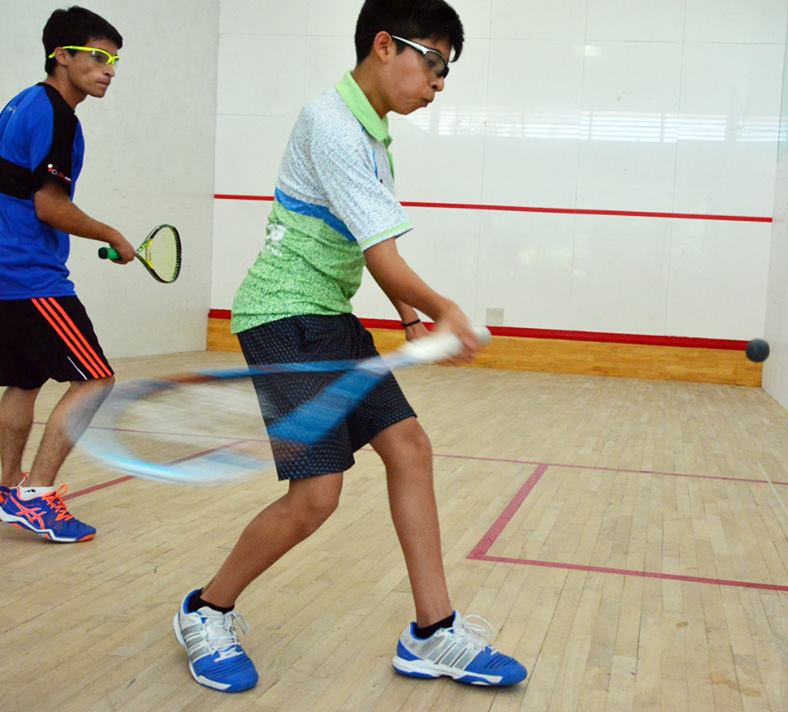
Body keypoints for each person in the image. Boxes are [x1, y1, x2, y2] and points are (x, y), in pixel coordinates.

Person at [172, 0, 527, 693]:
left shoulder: (373, 135)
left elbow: (368, 245)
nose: (439, 84)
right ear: (385, 45)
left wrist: (406, 310)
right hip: (282, 317)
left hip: (327, 317)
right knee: (316, 498)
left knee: (410, 448)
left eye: (447, 71)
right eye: (435, 62)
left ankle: (431, 631)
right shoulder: (332, 125)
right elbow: (384, 255)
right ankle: (206, 610)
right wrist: (447, 311)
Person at [0, 6, 135, 543]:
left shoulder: (22, 103)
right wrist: (113, 234)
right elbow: (49, 206)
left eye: (114, 61)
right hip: (30, 276)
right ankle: (37, 496)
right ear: (61, 55)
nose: (108, 70)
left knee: (24, 380)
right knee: (96, 378)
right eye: (98, 57)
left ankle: (7, 488)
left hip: (6, 274)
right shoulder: (56, 115)